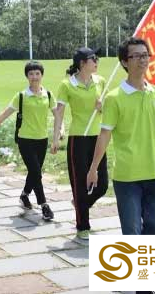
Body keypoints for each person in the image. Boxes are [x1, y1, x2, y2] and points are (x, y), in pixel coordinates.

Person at [87, 37, 155, 236]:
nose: (143, 60)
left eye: (145, 55)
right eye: (136, 56)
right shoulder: (114, 98)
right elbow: (105, 134)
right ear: (125, 62)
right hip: (126, 177)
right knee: (131, 231)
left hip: (152, 173)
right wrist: (93, 169)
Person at [0, 61, 57, 220]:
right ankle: (44, 205)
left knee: (34, 173)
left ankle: (24, 195)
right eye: (31, 74)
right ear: (27, 76)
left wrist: (60, 130)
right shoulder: (21, 96)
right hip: (25, 140)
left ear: (42, 75)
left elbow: (58, 115)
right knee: (36, 172)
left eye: (37, 73)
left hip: (42, 140)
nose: (34, 77)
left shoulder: (48, 95)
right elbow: (3, 115)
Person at [52, 47, 108, 241]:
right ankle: (82, 226)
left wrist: (102, 107)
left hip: (98, 137)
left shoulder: (101, 81)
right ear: (82, 63)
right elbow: (59, 112)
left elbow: (108, 109)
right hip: (78, 138)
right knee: (80, 184)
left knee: (102, 185)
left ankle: (80, 204)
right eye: (93, 59)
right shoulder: (67, 84)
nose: (97, 62)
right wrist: (55, 137)